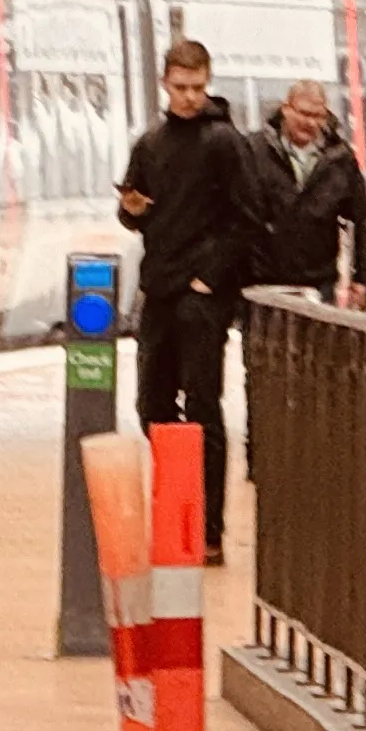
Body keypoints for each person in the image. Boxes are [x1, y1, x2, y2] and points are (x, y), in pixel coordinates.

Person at [115, 37, 270, 560]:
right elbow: (134, 212)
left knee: (203, 406)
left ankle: (208, 532)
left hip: (202, 296)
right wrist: (132, 209)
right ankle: (175, 504)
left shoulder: (225, 143)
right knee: (151, 404)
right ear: (165, 83)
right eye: (180, 88)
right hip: (159, 287)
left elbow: (250, 219)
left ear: (208, 83)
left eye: (197, 88)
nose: (189, 97)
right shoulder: (151, 143)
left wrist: (211, 276)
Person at [252, 78, 366, 310]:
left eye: (318, 116)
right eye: (304, 113)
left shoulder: (341, 159)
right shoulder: (255, 151)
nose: (310, 122)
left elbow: (361, 221)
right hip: (261, 279)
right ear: (285, 109)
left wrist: (363, 279)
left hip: (318, 282)